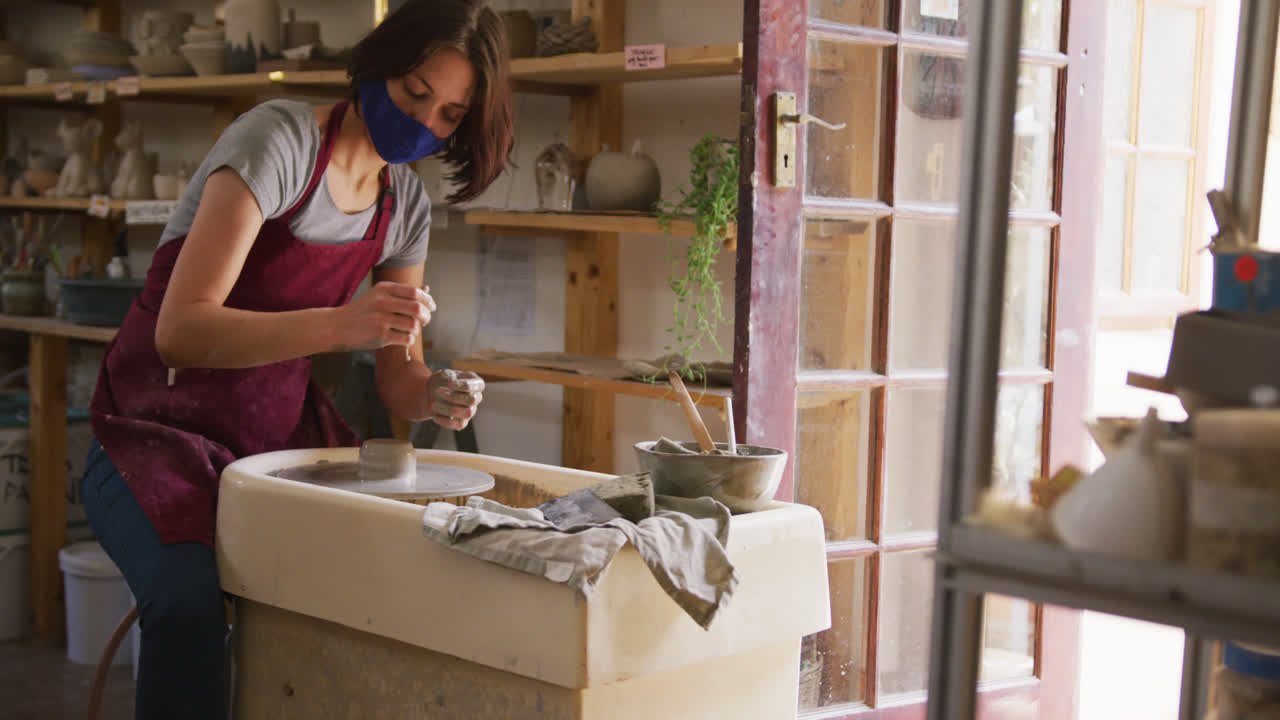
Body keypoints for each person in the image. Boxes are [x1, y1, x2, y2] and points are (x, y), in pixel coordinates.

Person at [81, 1, 514, 717]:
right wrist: (341, 325)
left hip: (272, 441)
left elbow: (397, 375)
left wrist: (436, 391)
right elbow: (180, 332)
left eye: (449, 114)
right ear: (379, 64)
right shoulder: (280, 141)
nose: (423, 121)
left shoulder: (403, 205)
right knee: (188, 605)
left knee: (369, 585)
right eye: (414, 92)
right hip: (152, 432)